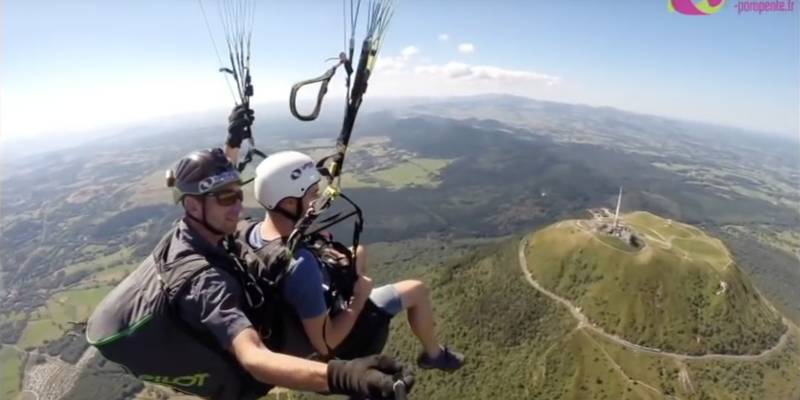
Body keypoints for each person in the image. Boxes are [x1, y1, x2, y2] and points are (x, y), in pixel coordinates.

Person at [86, 147, 413, 400]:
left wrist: (232, 141)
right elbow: (253, 357)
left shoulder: (195, 229)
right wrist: (345, 376)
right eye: (227, 199)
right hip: (250, 375)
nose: (238, 208)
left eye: (238, 194)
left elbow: (212, 184)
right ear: (192, 207)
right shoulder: (204, 282)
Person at [242, 149, 465, 371]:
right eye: (312, 194)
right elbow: (326, 344)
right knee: (416, 290)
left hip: (294, 316)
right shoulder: (301, 266)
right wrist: (359, 298)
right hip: (336, 349)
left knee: (359, 252)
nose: (318, 201)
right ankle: (434, 355)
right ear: (289, 203)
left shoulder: (252, 231)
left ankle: (351, 296)